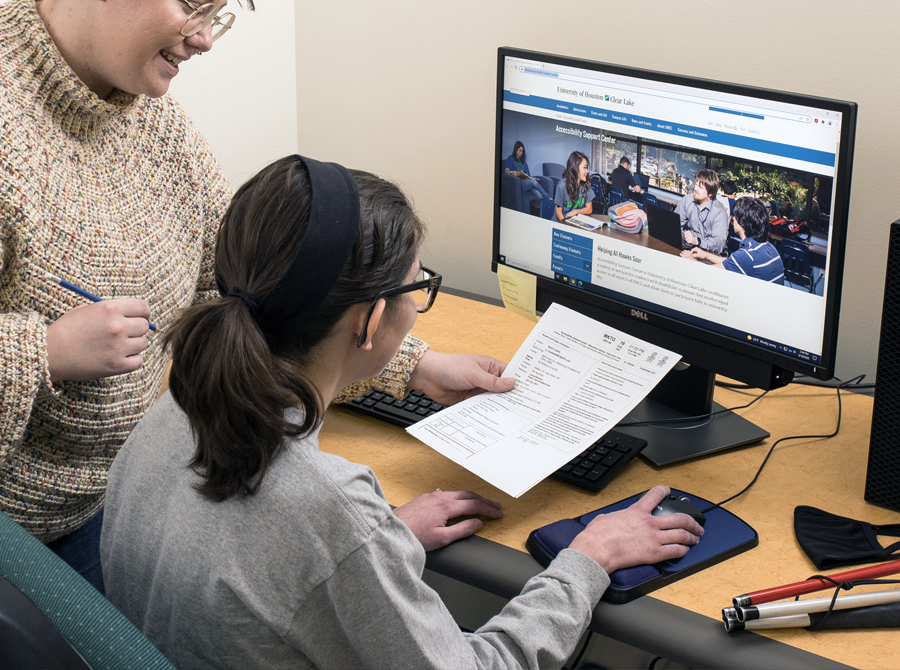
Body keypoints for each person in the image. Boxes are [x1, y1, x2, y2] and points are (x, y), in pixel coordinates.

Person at [0, 0, 509, 592]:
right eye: (191, 5)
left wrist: (414, 367)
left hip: (137, 484)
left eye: (217, 15)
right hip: (31, 536)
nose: (205, 39)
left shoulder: (137, 107)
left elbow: (252, 279)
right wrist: (43, 350)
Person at [100, 154, 703, 670]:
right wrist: (588, 560)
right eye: (417, 288)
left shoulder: (169, 414)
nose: (419, 306)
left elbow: (257, 558)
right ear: (366, 321)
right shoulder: (325, 504)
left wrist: (381, 544)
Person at [683, 197, 785, 284]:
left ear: (743, 223)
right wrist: (706, 255)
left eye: (735, 216)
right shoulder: (769, 247)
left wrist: (691, 259)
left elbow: (710, 273)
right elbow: (732, 263)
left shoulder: (746, 256)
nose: (732, 219)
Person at [674, 169, 729, 254]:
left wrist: (697, 241)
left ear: (710, 193)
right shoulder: (687, 200)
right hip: (689, 247)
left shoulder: (719, 212)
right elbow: (674, 225)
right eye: (696, 184)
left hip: (710, 253)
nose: (695, 188)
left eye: (700, 187)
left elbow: (719, 244)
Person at [555, 150, 594, 221]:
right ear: (575, 168)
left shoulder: (586, 185)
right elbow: (558, 212)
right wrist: (565, 227)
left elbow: (589, 209)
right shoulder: (562, 185)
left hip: (574, 223)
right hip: (560, 223)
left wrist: (576, 212)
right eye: (584, 167)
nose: (587, 171)